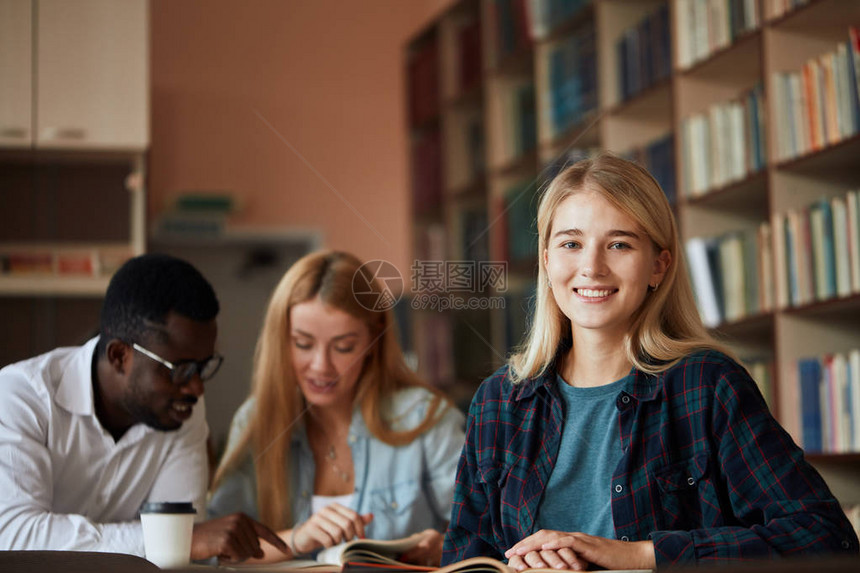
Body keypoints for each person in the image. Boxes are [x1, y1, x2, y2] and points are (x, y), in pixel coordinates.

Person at [442, 154, 859, 570]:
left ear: (658, 266)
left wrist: (641, 555)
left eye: (619, 244)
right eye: (571, 244)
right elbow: (465, 559)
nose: (591, 267)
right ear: (547, 261)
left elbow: (825, 537)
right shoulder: (499, 400)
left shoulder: (707, 385)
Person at [0, 253, 289, 563]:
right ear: (120, 356)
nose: (196, 387)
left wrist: (178, 541)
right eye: (180, 368)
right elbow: (14, 535)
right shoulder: (21, 396)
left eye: (203, 366)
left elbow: (178, 554)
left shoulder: (182, 410)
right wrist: (173, 540)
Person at [209, 250, 465, 566]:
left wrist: (443, 546)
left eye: (343, 347)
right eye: (303, 343)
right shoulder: (256, 420)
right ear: (282, 340)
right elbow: (214, 555)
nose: (321, 366)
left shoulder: (424, 417)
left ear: (374, 340)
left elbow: (482, 533)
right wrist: (297, 539)